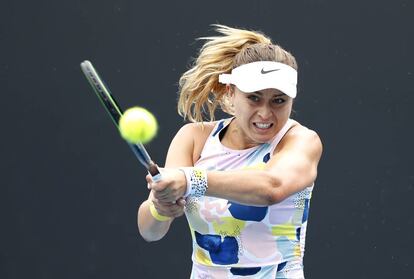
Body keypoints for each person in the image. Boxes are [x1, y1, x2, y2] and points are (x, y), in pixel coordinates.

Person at [137, 24, 322, 279]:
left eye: (278, 100)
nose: (266, 113)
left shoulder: (301, 140)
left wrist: (189, 179)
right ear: (231, 92)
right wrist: (161, 206)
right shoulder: (193, 139)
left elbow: (272, 187)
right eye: (254, 98)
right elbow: (150, 231)